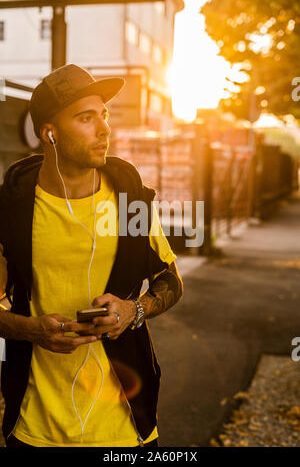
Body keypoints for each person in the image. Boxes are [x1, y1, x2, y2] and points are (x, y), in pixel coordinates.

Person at [0, 64, 183, 448]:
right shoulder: (11, 208)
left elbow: (171, 280)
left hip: (123, 427)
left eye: (105, 115)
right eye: (86, 118)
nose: (104, 130)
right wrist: (31, 330)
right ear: (49, 132)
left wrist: (133, 310)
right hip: (35, 429)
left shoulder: (129, 199)